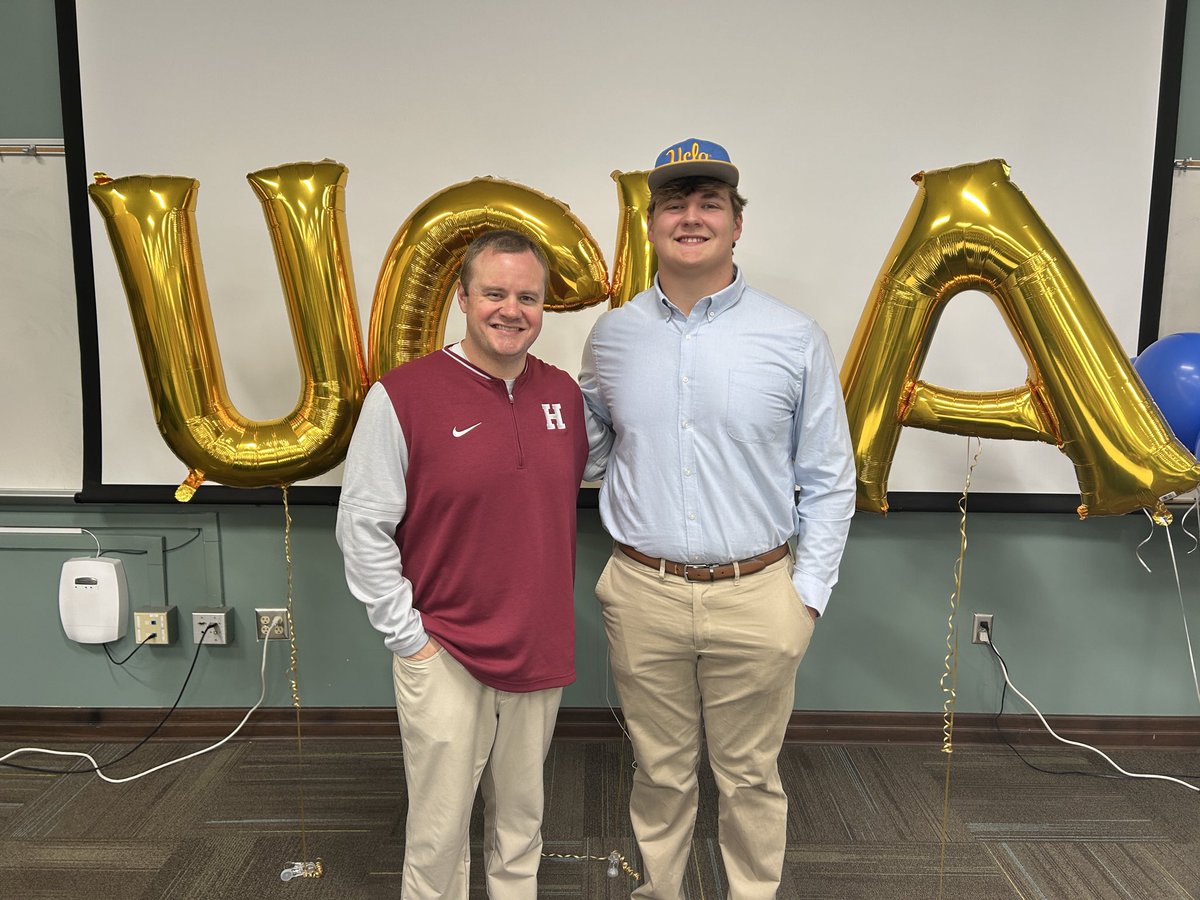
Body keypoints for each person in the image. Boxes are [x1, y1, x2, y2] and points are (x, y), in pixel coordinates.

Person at [579, 138, 856, 899]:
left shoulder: (793, 337)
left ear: (738, 226)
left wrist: (807, 597)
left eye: (710, 204)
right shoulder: (613, 336)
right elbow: (590, 452)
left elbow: (830, 479)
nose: (691, 217)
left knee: (751, 777)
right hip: (643, 592)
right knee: (659, 771)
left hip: (759, 594)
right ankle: (659, 891)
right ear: (650, 224)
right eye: (675, 203)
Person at [337, 229, 590, 899]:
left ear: (544, 307)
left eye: (528, 297)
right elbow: (362, 525)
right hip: (443, 647)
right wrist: (409, 638)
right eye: (495, 293)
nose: (512, 310)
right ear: (462, 298)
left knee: (522, 821)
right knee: (438, 832)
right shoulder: (403, 397)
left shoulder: (565, 397)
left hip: (537, 648)